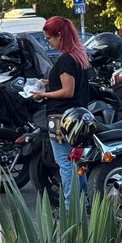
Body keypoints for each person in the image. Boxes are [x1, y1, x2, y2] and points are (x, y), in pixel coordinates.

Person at [33, 16, 90, 208]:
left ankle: (70, 205)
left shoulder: (65, 59)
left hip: (60, 118)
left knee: (65, 163)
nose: (47, 42)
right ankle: (84, 202)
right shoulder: (78, 56)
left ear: (59, 36)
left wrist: (44, 94)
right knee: (76, 162)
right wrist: (50, 83)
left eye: (48, 38)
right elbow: (70, 83)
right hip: (77, 117)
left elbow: (68, 91)